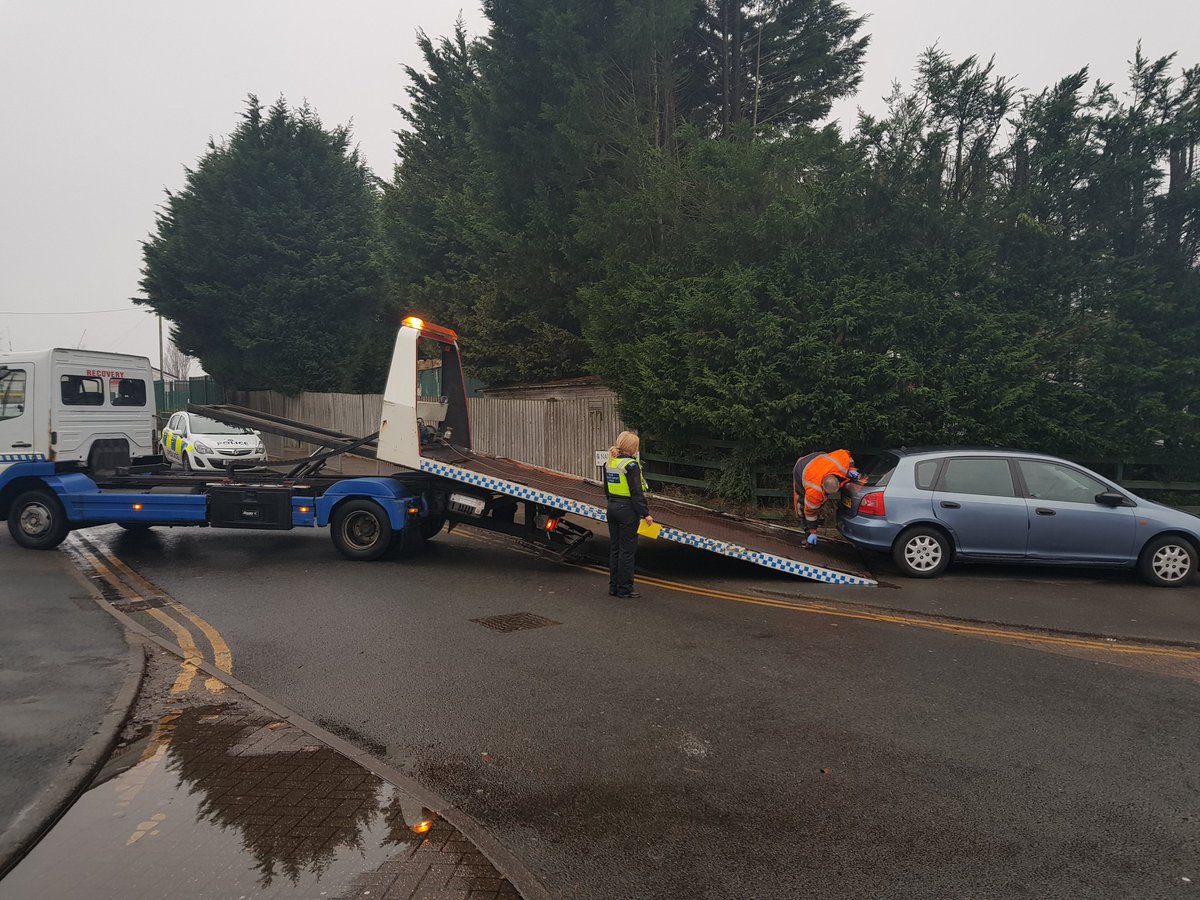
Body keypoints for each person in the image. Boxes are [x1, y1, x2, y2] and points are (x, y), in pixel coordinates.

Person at [604, 430, 653, 599]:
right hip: (627, 511)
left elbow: (606, 489)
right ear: (633, 447)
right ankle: (624, 589)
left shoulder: (610, 463)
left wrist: (612, 503)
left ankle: (613, 587)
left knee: (615, 549)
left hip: (612, 508)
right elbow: (636, 492)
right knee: (627, 551)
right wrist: (645, 514)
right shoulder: (631, 465)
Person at [793, 449, 859, 546]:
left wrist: (851, 470)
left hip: (818, 459)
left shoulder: (839, 463)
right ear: (822, 487)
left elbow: (846, 455)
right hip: (801, 469)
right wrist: (813, 532)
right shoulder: (814, 490)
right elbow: (810, 513)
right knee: (802, 507)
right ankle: (808, 535)